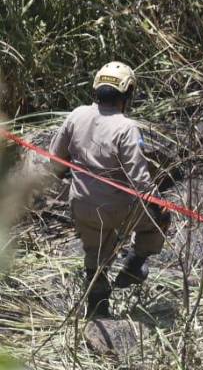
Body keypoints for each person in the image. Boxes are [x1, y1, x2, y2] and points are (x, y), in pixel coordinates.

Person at [49, 61, 169, 317]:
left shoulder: (76, 115)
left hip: (80, 205)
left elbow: (55, 162)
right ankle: (134, 266)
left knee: (95, 256)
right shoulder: (126, 128)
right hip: (116, 209)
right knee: (158, 221)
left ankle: (98, 310)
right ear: (126, 95)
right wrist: (160, 206)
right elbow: (140, 182)